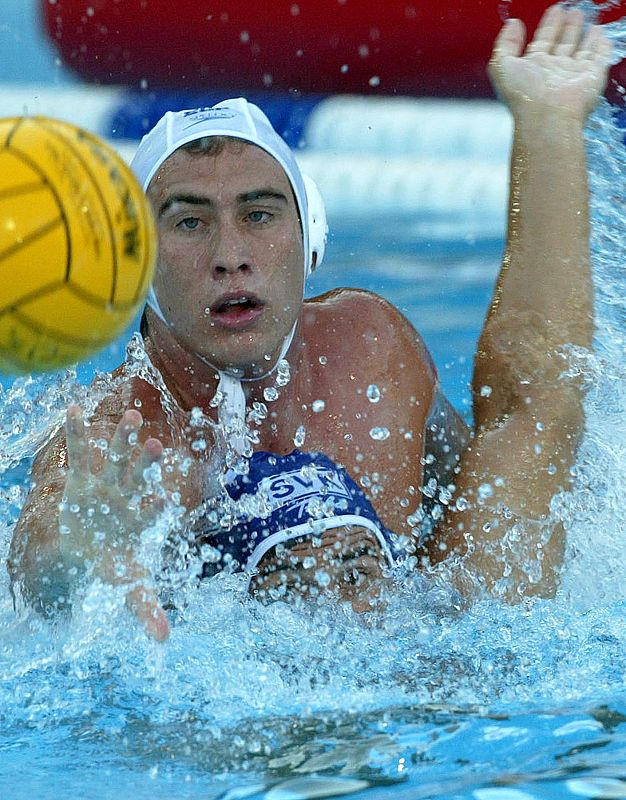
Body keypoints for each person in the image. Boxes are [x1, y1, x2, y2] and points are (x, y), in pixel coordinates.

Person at [7, 5, 612, 640]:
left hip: (423, 656)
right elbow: (39, 570)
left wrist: (550, 124)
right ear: (137, 264)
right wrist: (76, 549)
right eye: (189, 221)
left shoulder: (370, 351)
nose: (230, 254)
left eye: (259, 214)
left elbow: (518, 425)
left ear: (310, 239)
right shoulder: (120, 438)